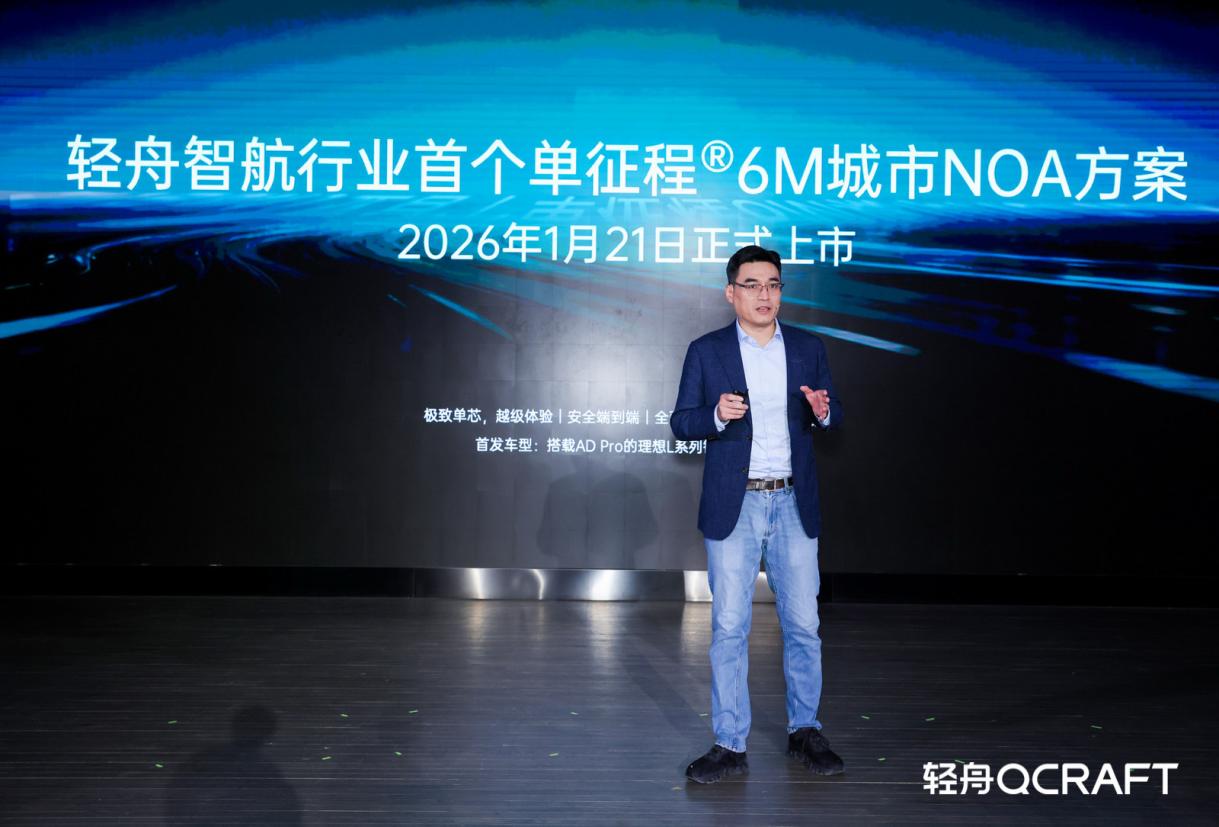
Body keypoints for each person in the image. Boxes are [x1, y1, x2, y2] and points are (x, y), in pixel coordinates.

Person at [670, 244, 845, 784]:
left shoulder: (809, 348)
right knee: (729, 627)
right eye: (752, 285)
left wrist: (824, 413)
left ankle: (805, 730)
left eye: (773, 284)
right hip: (736, 503)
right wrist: (716, 415)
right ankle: (729, 743)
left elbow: (831, 412)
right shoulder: (707, 350)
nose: (764, 294)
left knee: (804, 625)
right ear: (731, 293)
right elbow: (682, 422)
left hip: (793, 501)